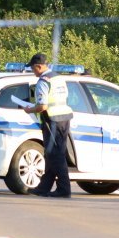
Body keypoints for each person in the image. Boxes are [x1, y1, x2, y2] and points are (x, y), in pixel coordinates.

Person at [23, 53, 73, 198]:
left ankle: (64, 190)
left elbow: (42, 106)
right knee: (51, 154)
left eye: (32, 68)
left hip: (52, 120)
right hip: (63, 118)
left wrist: (29, 109)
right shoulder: (58, 77)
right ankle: (44, 188)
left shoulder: (43, 81)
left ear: (39, 66)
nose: (32, 71)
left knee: (56, 155)